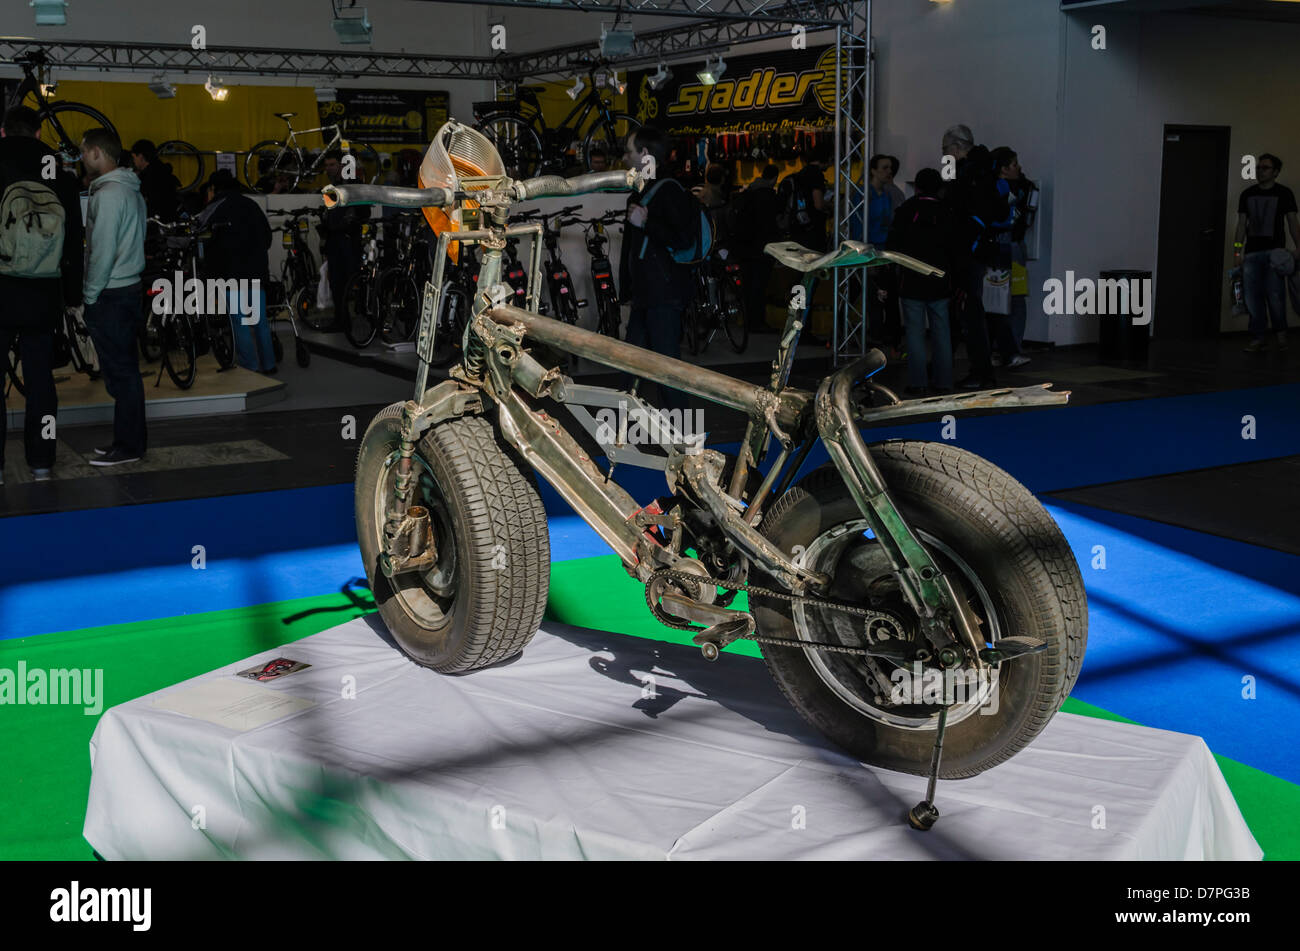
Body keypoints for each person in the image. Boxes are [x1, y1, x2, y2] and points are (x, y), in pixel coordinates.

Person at [0, 106, 84, 484]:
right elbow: (74, 238)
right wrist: (72, 292)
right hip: (43, 289)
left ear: (3, 131)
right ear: (37, 133)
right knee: (41, 382)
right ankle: (42, 461)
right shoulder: (57, 170)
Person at [80, 126, 147, 466]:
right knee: (126, 372)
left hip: (110, 292)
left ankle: (129, 448)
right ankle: (127, 442)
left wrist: (90, 296)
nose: (81, 158)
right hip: (129, 288)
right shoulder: (132, 191)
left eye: (83, 151)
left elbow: (102, 251)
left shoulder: (107, 195)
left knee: (121, 375)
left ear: (96, 152)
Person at [618, 126, 697, 410]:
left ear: (646, 155)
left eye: (629, 151)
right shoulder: (641, 190)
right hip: (645, 296)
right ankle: (620, 430)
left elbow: (684, 239)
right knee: (630, 364)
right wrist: (627, 290)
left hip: (664, 297)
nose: (625, 158)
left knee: (666, 370)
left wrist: (646, 223)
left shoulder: (669, 190)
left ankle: (687, 437)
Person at [940, 124, 1005, 390]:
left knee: (970, 313)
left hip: (969, 252)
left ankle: (981, 370)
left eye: (946, 150)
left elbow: (953, 203)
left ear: (956, 148)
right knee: (969, 312)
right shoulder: (984, 169)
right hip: (977, 250)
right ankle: (977, 367)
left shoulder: (971, 174)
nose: (944, 155)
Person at [198, 169, 276, 373]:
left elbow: (199, 236)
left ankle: (250, 365)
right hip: (256, 272)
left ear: (213, 189)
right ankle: (269, 364)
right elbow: (267, 238)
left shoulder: (214, 208)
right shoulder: (252, 205)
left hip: (230, 274)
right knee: (260, 322)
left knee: (240, 322)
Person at [888, 168, 957, 395]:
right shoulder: (946, 211)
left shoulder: (906, 210)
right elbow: (954, 247)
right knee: (941, 331)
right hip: (940, 280)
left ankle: (918, 382)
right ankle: (944, 380)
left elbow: (894, 244)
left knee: (915, 332)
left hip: (911, 280)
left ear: (916, 187)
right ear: (939, 187)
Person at [1235, 153, 1299, 352]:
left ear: (1275, 172)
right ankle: (1258, 337)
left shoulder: (1284, 193)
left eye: (1265, 168)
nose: (1260, 171)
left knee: (1275, 296)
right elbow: (1241, 225)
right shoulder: (1247, 194)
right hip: (1252, 253)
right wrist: (1237, 251)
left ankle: (1281, 337)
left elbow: (1292, 222)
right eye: (1258, 168)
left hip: (1275, 254)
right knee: (1252, 297)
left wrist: (1299, 248)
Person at [318, 149, 366, 329]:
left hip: (348, 239)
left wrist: (351, 223)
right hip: (335, 239)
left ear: (341, 165)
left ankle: (357, 316)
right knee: (337, 283)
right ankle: (341, 320)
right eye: (326, 165)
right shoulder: (333, 187)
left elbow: (363, 210)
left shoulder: (352, 184)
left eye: (332, 165)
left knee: (351, 280)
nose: (328, 169)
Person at [732, 164, 782, 331]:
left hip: (745, 247)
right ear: (774, 178)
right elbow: (772, 224)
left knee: (747, 285)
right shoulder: (768, 196)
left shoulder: (748, 192)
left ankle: (746, 319)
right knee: (759, 286)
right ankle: (756, 321)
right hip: (761, 247)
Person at [867, 154, 902, 354]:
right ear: (873, 170)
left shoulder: (888, 195)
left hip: (884, 251)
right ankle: (876, 337)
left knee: (885, 296)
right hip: (870, 250)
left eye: (890, 168)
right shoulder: (865, 195)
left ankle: (883, 338)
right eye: (884, 167)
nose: (889, 171)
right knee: (872, 296)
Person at [778, 147, 829, 252]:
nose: (831, 164)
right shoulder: (816, 174)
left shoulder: (800, 174)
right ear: (824, 159)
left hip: (797, 226)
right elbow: (818, 204)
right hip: (813, 230)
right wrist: (830, 205)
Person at [128, 139, 181, 222]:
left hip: (156, 221)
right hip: (170, 218)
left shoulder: (148, 176)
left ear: (141, 157)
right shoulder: (163, 170)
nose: (134, 161)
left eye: (134, 158)